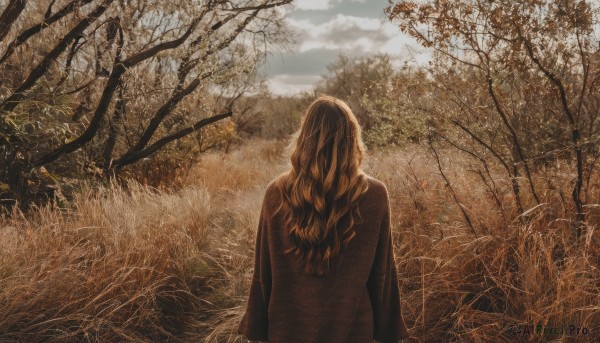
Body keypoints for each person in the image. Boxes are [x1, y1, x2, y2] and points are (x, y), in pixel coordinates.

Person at [237, 95, 410, 343]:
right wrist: (388, 332)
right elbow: (382, 276)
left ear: (305, 138)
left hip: (287, 331)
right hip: (352, 332)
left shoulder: (276, 192)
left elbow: (264, 274)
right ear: (352, 139)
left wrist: (257, 328)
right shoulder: (374, 194)